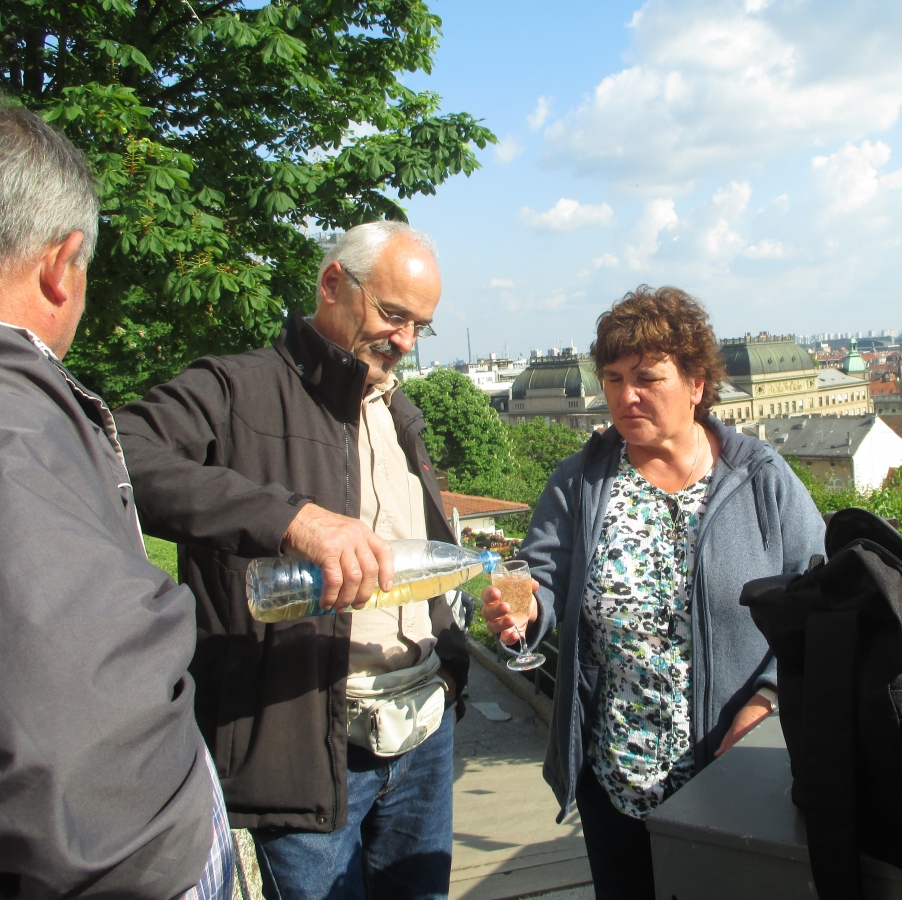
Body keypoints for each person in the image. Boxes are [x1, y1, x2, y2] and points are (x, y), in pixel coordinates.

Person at [115, 221, 468, 900]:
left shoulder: (396, 409)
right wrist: (290, 520)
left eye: (421, 327)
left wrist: (452, 664)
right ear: (333, 283)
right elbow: (117, 451)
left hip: (424, 732)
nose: (405, 341)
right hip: (304, 746)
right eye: (394, 315)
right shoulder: (234, 387)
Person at [483, 286, 826, 899]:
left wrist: (770, 696)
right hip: (617, 784)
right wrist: (527, 612)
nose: (626, 396)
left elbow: (821, 596)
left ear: (696, 384)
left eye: (647, 378)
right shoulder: (580, 483)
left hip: (737, 775)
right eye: (614, 379)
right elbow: (542, 577)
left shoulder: (759, 478)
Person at [0, 104, 233, 897]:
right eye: (396, 316)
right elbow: (70, 721)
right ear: (63, 264)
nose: (406, 339)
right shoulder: (18, 427)